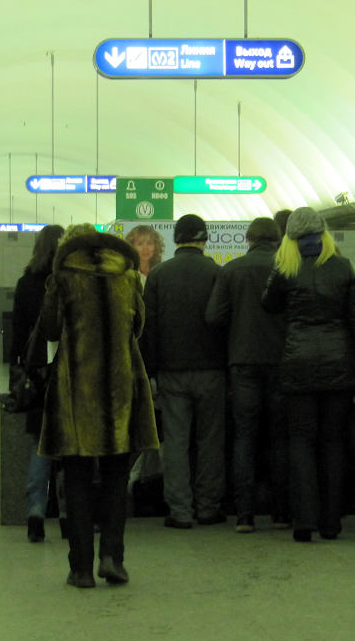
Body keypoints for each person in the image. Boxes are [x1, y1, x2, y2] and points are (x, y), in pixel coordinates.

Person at [37, 225, 158, 587]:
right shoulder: (127, 274)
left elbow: (49, 330)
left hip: (76, 387)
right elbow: (138, 325)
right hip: (121, 386)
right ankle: (112, 557)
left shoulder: (63, 275)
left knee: (75, 477)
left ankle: (80, 568)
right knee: (116, 476)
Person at [263, 207, 355, 542]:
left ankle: (304, 521)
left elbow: (268, 304)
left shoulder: (285, 268)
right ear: (324, 235)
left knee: (301, 442)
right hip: (339, 366)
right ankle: (331, 522)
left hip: (298, 365)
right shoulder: (342, 267)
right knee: (332, 443)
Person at [142, 214, 227, 528]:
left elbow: (148, 329)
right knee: (210, 441)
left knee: (176, 442)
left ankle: (179, 511)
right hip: (212, 370)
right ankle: (208, 507)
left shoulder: (159, 276)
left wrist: (151, 372)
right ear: (203, 240)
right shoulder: (217, 273)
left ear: (177, 239)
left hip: (171, 371)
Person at [204, 216, 288, 533]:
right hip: (280, 361)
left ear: (248, 239)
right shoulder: (287, 269)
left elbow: (213, 316)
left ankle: (244, 515)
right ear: (277, 241)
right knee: (280, 437)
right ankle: (281, 512)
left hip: (242, 362)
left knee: (245, 437)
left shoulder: (231, 270)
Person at [11, 225, 63, 542]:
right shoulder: (73, 280)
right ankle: (71, 514)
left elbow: (18, 332)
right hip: (72, 369)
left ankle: (35, 510)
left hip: (40, 372)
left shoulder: (27, 282)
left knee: (40, 443)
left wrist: (22, 366)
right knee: (75, 443)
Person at [124, 225, 165, 289]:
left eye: (150, 243)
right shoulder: (126, 273)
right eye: (140, 244)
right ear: (132, 246)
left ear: (156, 246)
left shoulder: (162, 272)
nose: (145, 249)